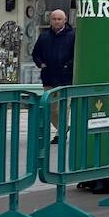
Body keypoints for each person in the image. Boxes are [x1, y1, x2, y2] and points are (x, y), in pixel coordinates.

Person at [32, 9, 74, 143]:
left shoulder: (72, 35)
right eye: (54, 19)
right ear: (50, 21)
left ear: (65, 20)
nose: (56, 21)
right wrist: (41, 64)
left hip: (65, 78)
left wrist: (68, 65)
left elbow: (77, 54)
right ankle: (63, 127)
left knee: (63, 107)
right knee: (49, 107)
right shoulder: (44, 36)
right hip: (49, 77)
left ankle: (59, 134)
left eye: (59, 19)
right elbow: (35, 53)